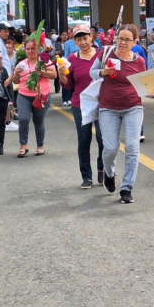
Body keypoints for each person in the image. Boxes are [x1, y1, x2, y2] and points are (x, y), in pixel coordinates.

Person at [90, 24, 154, 203]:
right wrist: (102, 72)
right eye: (120, 38)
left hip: (133, 107)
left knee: (132, 148)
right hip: (108, 108)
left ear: (134, 42)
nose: (123, 43)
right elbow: (91, 72)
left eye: (127, 40)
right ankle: (109, 173)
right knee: (110, 149)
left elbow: (144, 87)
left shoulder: (139, 61)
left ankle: (126, 188)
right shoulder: (106, 53)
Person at [59, 24, 105, 189]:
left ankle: (102, 168)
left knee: (103, 139)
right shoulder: (72, 59)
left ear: (91, 37)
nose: (83, 41)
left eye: (85, 38)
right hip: (80, 104)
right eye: (79, 39)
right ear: (75, 41)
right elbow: (68, 84)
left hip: (102, 102)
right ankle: (86, 176)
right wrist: (60, 73)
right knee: (84, 140)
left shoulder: (101, 55)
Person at [12, 39, 57, 158]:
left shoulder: (44, 61)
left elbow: (54, 75)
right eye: (28, 49)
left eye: (33, 48)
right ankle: (23, 145)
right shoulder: (21, 63)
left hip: (42, 96)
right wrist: (16, 74)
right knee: (23, 119)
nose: (31, 51)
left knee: (38, 121)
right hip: (24, 95)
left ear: (37, 49)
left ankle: (40, 146)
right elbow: (16, 81)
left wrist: (41, 72)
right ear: (25, 50)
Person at [53, 32, 71, 105]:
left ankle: (69, 99)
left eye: (65, 35)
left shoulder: (69, 44)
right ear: (60, 36)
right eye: (62, 35)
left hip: (68, 64)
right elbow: (51, 54)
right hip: (59, 64)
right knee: (61, 79)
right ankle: (64, 99)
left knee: (68, 80)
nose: (64, 36)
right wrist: (55, 53)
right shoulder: (56, 44)